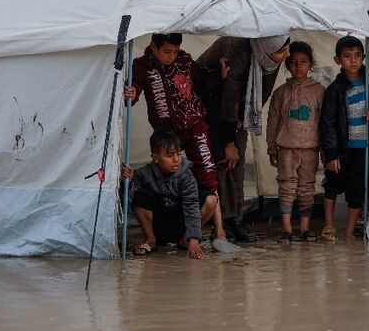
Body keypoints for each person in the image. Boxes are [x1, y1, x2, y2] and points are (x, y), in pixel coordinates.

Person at [124, 33, 229, 243]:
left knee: (208, 174)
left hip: (194, 126)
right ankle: (164, 233)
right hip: (167, 133)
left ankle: (219, 231)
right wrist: (131, 94)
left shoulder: (184, 60)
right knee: (166, 178)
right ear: (153, 46)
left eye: (175, 51)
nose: (171, 57)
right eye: (166, 52)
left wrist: (219, 74)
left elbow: (203, 78)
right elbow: (133, 90)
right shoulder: (141, 66)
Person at [196, 35, 291, 242]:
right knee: (223, 161)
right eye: (281, 51)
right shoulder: (236, 49)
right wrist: (229, 140)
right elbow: (230, 93)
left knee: (235, 164)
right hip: (210, 106)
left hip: (236, 111)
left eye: (287, 48)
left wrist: (242, 119)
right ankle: (220, 224)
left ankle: (235, 220)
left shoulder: (268, 58)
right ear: (265, 49)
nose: (287, 55)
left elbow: (263, 91)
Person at [319, 36, 369, 241]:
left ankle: (348, 232)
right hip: (341, 148)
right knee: (332, 184)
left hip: (364, 148)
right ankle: (329, 225)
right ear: (338, 60)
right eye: (347, 56)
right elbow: (327, 123)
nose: (353, 60)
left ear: (364, 57)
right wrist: (331, 154)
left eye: (357, 55)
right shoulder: (334, 90)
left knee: (358, 187)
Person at [120, 130, 214, 259]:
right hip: (159, 225)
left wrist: (194, 240)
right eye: (170, 155)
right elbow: (129, 197)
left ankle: (185, 240)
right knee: (140, 197)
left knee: (211, 200)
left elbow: (191, 207)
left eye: (178, 154)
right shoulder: (144, 173)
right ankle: (150, 240)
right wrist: (129, 180)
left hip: (181, 224)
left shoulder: (187, 177)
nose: (176, 160)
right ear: (155, 158)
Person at [266, 41, 326, 243]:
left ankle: (305, 228)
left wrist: (325, 149)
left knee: (307, 187)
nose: (298, 66)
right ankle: (286, 229)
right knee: (287, 187)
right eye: (293, 62)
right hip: (286, 149)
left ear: (311, 64)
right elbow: (273, 121)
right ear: (287, 65)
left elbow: (324, 123)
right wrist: (271, 148)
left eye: (303, 62)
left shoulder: (319, 91)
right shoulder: (281, 93)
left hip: (310, 148)